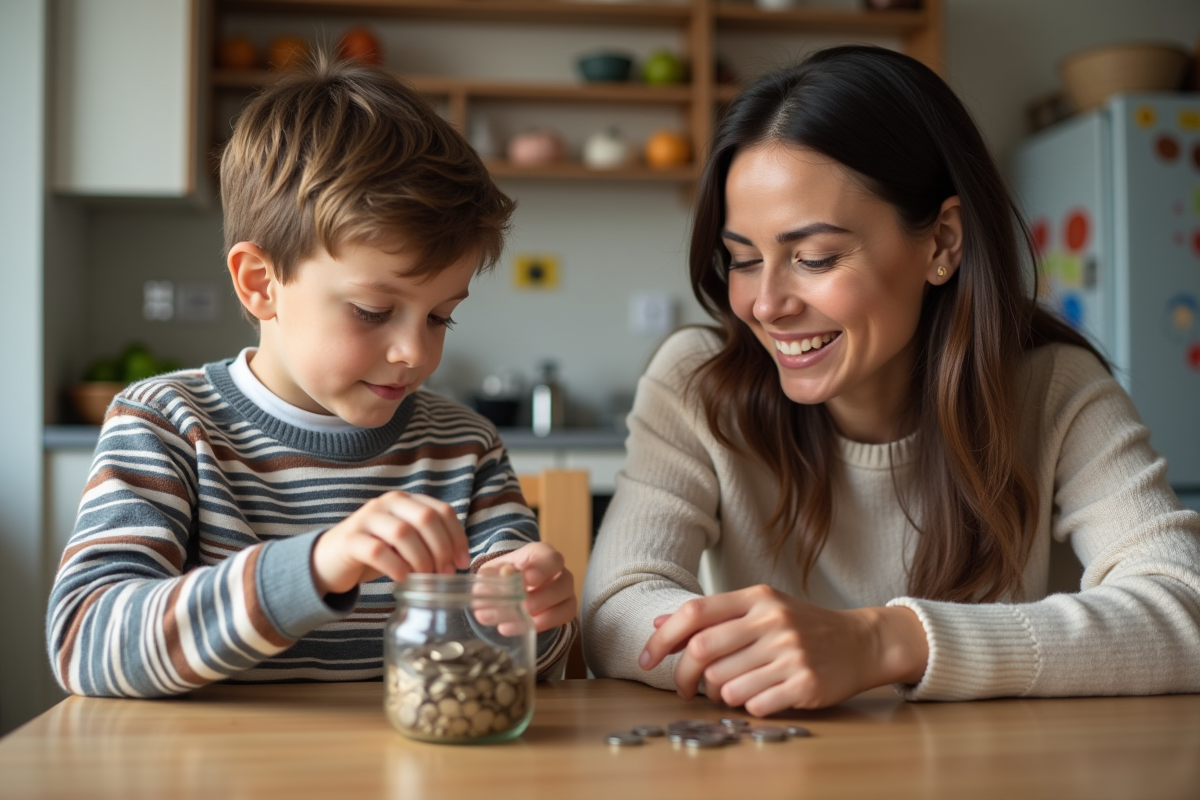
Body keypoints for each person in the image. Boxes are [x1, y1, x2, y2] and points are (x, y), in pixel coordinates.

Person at [581, 45, 1200, 714]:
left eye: (815, 258)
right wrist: (762, 652)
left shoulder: (1054, 391)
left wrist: (885, 642)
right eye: (742, 260)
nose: (766, 304)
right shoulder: (697, 386)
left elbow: (1183, 607)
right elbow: (617, 605)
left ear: (941, 242)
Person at [47, 54, 577, 697]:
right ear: (260, 284)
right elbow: (84, 640)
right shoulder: (167, 424)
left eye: (441, 317)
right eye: (373, 311)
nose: (414, 351)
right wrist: (317, 567)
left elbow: (535, 663)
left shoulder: (463, 447)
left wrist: (533, 611)